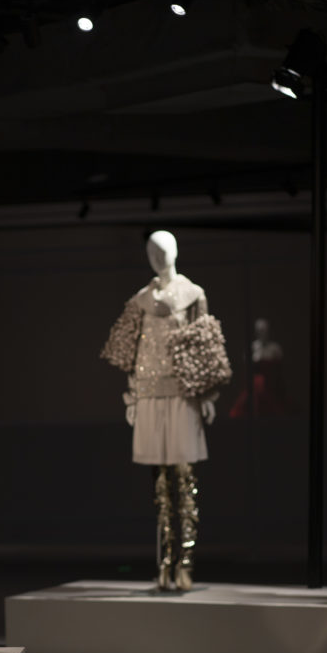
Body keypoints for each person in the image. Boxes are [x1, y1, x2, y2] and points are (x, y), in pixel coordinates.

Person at [101, 230, 219, 591]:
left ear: (175, 252)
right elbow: (133, 350)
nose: (157, 256)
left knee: (184, 479)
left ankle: (185, 561)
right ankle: (166, 560)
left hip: (182, 394)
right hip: (150, 395)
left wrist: (206, 394)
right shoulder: (141, 300)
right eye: (152, 251)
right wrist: (133, 398)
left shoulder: (193, 294)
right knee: (161, 484)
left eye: (163, 250)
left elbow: (204, 346)